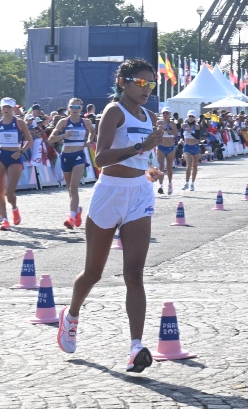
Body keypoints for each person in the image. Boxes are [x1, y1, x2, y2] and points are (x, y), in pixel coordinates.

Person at [55, 59, 164, 372]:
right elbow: (101, 157)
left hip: (139, 195)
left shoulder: (151, 116)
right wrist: (138, 148)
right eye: (140, 83)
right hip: (110, 192)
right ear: (124, 83)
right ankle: (71, 315)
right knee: (94, 272)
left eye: (151, 84)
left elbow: (147, 155)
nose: (146, 89)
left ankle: (135, 348)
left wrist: (152, 166)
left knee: (134, 274)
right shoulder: (114, 112)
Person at [0, 98, 32, 231]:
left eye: (9, 107)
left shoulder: (20, 123)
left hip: (15, 157)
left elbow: (30, 140)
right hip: (0, 157)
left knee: (10, 192)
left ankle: (15, 208)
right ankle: (5, 220)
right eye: (4, 107)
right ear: (1, 109)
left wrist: (21, 151)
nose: (6, 110)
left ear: (13, 109)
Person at [48, 98, 94, 230]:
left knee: (74, 188)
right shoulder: (64, 122)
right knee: (70, 190)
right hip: (66, 156)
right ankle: (77, 210)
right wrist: (63, 136)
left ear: (81, 109)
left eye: (77, 107)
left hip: (79, 156)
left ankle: (71, 217)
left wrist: (89, 141)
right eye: (72, 106)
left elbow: (92, 131)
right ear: (68, 108)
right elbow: (51, 138)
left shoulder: (86, 122)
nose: (74, 109)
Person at [154, 106, 178, 195]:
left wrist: (166, 129)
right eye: (164, 113)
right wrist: (159, 129)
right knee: (161, 166)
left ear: (170, 114)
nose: (165, 115)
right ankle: (160, 186)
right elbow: (156, 133)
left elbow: (176, 134)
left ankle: (170, 183)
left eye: (167, 113)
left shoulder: (171, 123)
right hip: (161, 146)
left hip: (170, 147)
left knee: (169, 168)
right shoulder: (158, 122)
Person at [180, 111, 203, 191]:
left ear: (195, 118)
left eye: (192, 116)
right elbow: (181, 135)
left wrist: (190, 132)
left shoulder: (196, 126)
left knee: (195, 166)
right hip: (187, 146)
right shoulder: (183, 125)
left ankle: (192, 183)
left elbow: (197, 137)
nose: (191, 118)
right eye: (189, 116)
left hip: (195, 146)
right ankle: (186, 183)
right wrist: (181, 140)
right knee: (188, 164)